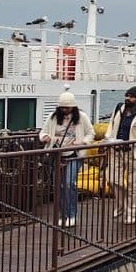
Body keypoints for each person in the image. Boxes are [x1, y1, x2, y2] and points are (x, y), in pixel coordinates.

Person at [39, 91, 95, 228]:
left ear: (73, 107)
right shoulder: (53, 118)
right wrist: (44, 137)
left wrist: (81, 142)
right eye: (62, 107)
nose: (65, 110)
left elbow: (91, 133)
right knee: (58, 185)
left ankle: (71, 214)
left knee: (69, 184)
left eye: (67, 107)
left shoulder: (82, 117)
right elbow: (43, 132)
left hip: (74, 154)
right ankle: (62, 215)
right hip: (56, 155)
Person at [104, 86, 136, 224]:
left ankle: (131, 212)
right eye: (127, 95)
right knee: (112, 179)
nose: (127, 98)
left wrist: (131, 142)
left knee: (135, 185)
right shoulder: (119, 109)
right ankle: (122, 205)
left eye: (131, 96)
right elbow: (111, 125)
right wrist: (108, 138)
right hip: (116, 150)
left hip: (135, 153)